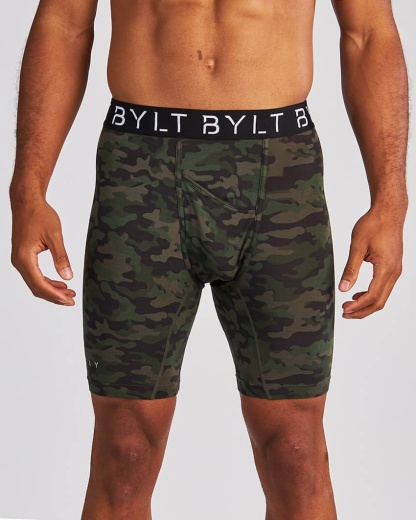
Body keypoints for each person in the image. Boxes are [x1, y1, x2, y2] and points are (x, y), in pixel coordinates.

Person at [9, 0, 408, 518]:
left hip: (280, 170)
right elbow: (64, 23)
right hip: (140, 166)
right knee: (125, 448)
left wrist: (390, 201)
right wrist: (28, 190)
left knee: (295, 448)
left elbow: (368, 33)